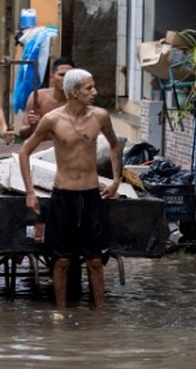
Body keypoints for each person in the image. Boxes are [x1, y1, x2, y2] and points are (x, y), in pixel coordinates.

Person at [18, 69, 123, 309]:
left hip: (91, 196)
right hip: (63, 196)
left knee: (95, 261)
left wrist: (116, 180)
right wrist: (30, 192)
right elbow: (24, 152)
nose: (95, 92)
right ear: (74, 92)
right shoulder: (52, 120)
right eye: (89, 88)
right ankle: (61, 314)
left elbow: (115, 146)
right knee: (62, 260)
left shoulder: (100, 116)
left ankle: (99, 316)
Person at [18, 56, 75, 140]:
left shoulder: (78, 100)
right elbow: (22, 134)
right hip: (40, 149)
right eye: (62, 75)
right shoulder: (38, 96)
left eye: (69, 75)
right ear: (52, 77)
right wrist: (31, 126)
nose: (65, 79)